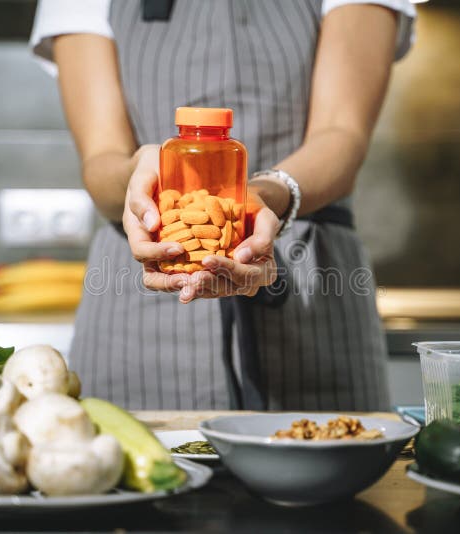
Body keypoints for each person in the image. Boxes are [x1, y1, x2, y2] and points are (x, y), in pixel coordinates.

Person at [30, 0, 416, 411]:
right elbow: (101, 157)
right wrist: (138, 176)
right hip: (140, 292)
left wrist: (267, 197)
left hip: (313, 288)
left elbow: (343, 133)